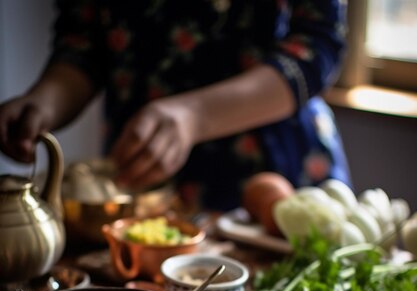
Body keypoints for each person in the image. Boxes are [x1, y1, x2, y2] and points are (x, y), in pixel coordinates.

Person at [0, 0, 352, 213]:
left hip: (274, 162)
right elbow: (83, 41)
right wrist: (42, 103)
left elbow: (317, 47)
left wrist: (194, 116)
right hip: (141, 172)